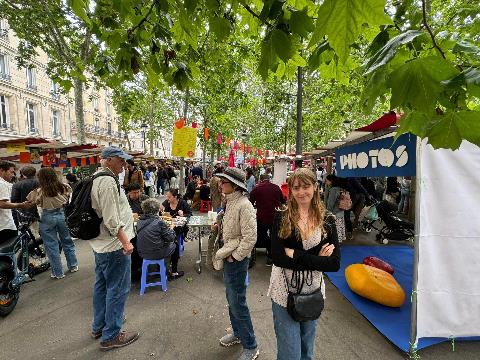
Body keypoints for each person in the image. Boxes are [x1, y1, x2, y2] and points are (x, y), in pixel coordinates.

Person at [268, 168, 340, 360]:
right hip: (283, 292)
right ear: (290, 190)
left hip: (313, 292)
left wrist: (295, 254)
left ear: (316, 187)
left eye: (306, 186)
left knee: (307, 350)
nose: (301, 192)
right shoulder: (281, 216)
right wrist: (318, 259)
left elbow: (334, 264)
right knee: (290, 353)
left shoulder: (328, 219)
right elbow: (277, 258)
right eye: (296, 187)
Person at [89, 146, 139, 351]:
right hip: (114, 246)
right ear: (108, 160)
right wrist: (126, 242)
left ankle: (99, 326)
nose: (124, 165)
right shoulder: (108, 181)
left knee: (102, 286)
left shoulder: (96, 177)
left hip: (101, 245)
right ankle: (111, 335)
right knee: (117, 289)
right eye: (121, 161)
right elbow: (111, 220)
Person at [213, 167, 259, 360]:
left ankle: (251, 345)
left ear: (234, 185)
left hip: (236, 260)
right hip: (228, 256)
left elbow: (250, 238)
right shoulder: (231, 202)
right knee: (232, 300)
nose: (220, 184)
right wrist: (219, 224)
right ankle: (238, 334)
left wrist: (235, 257)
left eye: (224, 182)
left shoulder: (244, 204)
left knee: (238, 302)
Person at [27, 168, 78, 279]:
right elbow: (70, 199)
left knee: (51, 246)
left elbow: (30, 202)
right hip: (61, 215)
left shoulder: (39, 191)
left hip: (47, 217)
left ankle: (58, 273)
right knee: (67, 241)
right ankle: (73, 265)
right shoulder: (65, 187)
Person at [136, 198, 179, 278]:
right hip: (156, 253)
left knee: (156, 241)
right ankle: (174, 272)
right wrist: (172, 228)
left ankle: (159, 268)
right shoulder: (159, 222)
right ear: (157, 210)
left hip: (142, 252)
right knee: (175, 244)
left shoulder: (139, 221)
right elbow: (170, 237)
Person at [249, 174, 285, 266]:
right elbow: (283, 201)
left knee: (261, 236)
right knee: (275, 236)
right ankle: (272, 255)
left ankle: (269, 249)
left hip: (262, 217)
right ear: (269, 179)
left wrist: (258, 204)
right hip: (275, 217)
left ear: (260, 180)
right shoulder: (276, 188)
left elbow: (250, 203)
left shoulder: (257, 188)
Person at [161, 188, 191, 280]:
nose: (167, 198)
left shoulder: (182, 203)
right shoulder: (166, 203)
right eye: (166, 196)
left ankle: (171, 260)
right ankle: (169, 263)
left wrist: (183, 215)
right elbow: (161, 215)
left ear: (175, 197)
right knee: (168, 240)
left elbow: (190, 215)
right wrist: (161, 212)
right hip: (167, 229)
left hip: (179, 228)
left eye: (169, 197)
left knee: (174, 241)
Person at [0, 161, 31, 239]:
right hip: (5, 225)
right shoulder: (2, 184)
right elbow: (2, 204)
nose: (13, 175)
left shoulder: (7, 184)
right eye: (11, 172)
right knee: (9, 250)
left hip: (3, 224)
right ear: (2, 170)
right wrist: (21, 205)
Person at [325, 175, 347, 243]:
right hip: (341, 211)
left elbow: (330, 203)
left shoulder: (333, 190)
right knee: (339, 228)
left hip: (335, 213)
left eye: (327, 180)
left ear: (331, 181)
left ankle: (336, 243)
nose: (326, 182)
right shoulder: (341, 188)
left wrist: (327, 213)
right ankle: (339, 242)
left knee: (335, 230)